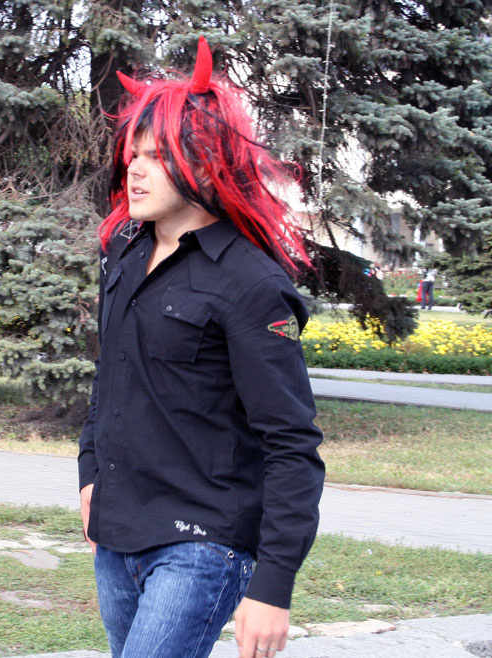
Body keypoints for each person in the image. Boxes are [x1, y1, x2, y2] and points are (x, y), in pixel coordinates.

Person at [78, 37, 324, 658]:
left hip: (202, 544)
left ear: (206, 164)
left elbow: (292, 444)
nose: (135, 170)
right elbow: (112, 379)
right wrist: (90, 476)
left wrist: (272, 587)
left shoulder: (252, 284)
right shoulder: (122, 251)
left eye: (157, 156)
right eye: (133, 154)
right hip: (118, 533)